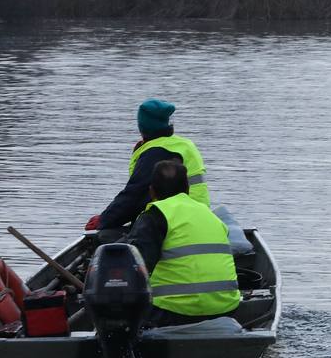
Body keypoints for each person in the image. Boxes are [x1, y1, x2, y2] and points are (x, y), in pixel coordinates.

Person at [125, 158, 242, 329]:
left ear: (151, 191)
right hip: (226, 308)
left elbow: (136, 270)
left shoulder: (155, 216)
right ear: (187, 190)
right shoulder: (212, 216)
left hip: (174, 313)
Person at [88, 98, 211, 231]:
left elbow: (134, 194)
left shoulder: (157, 151)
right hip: (198, 214)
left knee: (107, 237)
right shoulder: (180, 144)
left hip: (178, 218)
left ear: (142, 126)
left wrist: (104, 220)